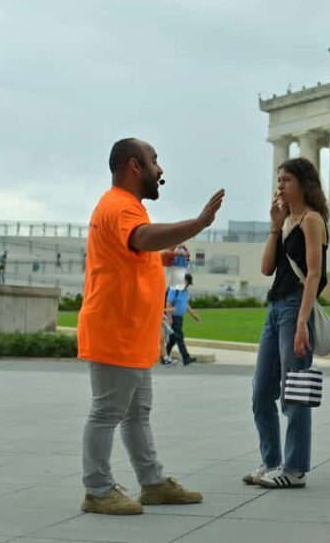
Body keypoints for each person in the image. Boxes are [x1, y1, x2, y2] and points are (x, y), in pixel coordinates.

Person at [78, 137, 224, 515]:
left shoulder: (123, 206)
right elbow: (140, 238)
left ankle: (152, 482)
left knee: (136, 412)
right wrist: (197, 224)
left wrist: (162, 258)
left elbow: (132, 254)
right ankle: (97, 489)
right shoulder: (122, 207)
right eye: (154, 161)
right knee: (107, 412)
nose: (161, 169)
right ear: (134, 166)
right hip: (116, 329)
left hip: (129, 331)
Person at [244, 157, 328, 489]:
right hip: (275, 306)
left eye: (287, 179)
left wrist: (303, 322)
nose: (280, 185)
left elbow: (314, 273)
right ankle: (271, 461)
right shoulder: (288, 221)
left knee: (293, 392)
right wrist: (275, 226)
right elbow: (266, 268)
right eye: (279, 179)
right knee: (261, 391)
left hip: (295, 307)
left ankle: (294, 468)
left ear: (304, 184)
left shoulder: (311, 220)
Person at [166, 273, 201, 366]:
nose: (188, 285)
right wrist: (169, 318)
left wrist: (194, 316)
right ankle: (186, 358)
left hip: (180, 318)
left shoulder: (185, 292)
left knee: (173, 339)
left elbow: (187, 305)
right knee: (180, 337)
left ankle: (164, 355)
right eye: (188, 283)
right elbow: (168, 303)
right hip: (173, 317)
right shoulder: (174, 290)